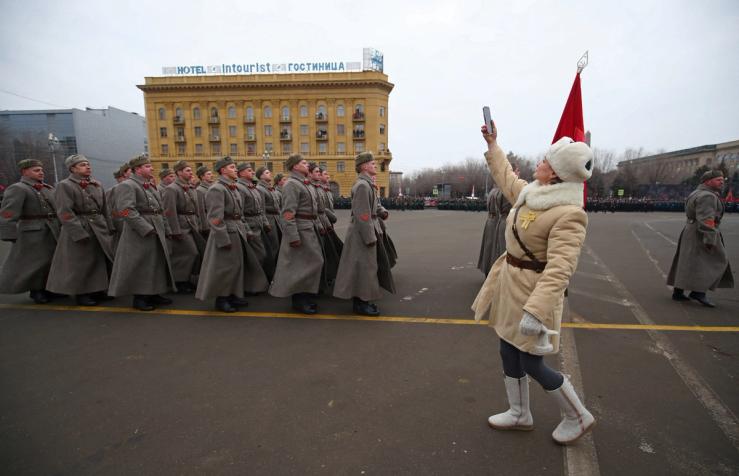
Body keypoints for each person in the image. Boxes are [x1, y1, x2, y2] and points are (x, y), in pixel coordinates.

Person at [472, 123, 596, 445]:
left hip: (533, 293)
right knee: (507, 348)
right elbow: (506, 179)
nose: (539, 162)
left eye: (545, 160)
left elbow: (560, 268)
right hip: (510, 284)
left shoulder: (569, 214)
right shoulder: (532, 194)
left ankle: (577, 414)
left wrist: (537, 312)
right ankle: (519, 413)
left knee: (531, 360)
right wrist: (493, 144)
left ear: (554, 174)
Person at [195, 157, 268, 312]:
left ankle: (233, 295)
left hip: (237, 230)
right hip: (226, 233)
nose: (235, 169)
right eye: (232, 167)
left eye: (235, 167)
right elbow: (215, 218)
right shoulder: (217, 189)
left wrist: (246, 230)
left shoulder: (231, 188)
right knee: (225, 267)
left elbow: (239, 214)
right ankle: (222, 299)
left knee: (236, 265)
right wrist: (223, 238)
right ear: (223, 170)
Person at [108, 154, 176, 311]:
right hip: (140, 232)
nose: (151, 168)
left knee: (156, 262)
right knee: (142, 264)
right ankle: (140, 297)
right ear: (137, 169)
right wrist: (144, 228)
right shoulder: (128, 185)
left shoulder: (149, 185)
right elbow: (124, 211)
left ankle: (153, 292)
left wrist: (166, 229)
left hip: (156, 227)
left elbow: (159, 211)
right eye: (147, 166)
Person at [46, 154, 115, 306]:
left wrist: (110, 226)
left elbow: (105, 209)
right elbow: (64, 212)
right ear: (72, 168)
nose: (88, 166)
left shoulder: (96, 184)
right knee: (81, 262)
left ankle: (98, 290)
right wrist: (78, 232)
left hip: (99, 225)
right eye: (82, 164)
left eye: (88, 164)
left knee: (99, 260)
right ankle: (82, 293)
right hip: (80, 225)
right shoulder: (65, 185)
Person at [334, 152, 396, 316]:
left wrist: (381, 212)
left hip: (366, 229)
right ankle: (361, 303)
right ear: (363, 166)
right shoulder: (362, 185)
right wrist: (370, 237)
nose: (375, 165)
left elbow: (371, 207)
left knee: (367, 267)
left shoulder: (367, 184)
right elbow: (362, 215)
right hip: (362, 233)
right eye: (372, 163)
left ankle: (363, 301)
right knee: (363, 267)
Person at [667, 170, 733, 307]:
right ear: (707, 181)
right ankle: (699, 292)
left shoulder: (696, 193)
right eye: (718, 179)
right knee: (715, 261)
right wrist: (710, 239)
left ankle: (678, 292)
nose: (722, 182)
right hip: (701, 232)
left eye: (722, 180)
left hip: (690, 231)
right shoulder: (707, 196)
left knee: (687, 262)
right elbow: (707, 220)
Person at [269, 154, 325, 314]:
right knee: (301, 265)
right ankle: (299, 300)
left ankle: (305, 296)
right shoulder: (292, 184)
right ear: (294, 166)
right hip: (299, 229)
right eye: (303, 162)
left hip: (308, 227)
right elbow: (287, 213)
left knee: (310, 263)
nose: (307, 164)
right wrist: (292, 236)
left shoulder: (303, 183)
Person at [0, 159, 60, 303]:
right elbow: (8, 213)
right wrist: (8, 233)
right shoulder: (18, 188)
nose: (41, 172)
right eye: (36, 170)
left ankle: (48, 288)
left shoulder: (46, 188)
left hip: (51, 228)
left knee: (51, 261)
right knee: (35, 263)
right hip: (31, 231)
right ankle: (37, 290)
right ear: (24, 172)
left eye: (41, 170)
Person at [162, 160, 205, 294]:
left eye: (191, 170)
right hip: (181, 225)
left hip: (192, 223)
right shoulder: (172, 189)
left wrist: (199, 224)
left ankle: (186, 280)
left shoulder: (191, 188)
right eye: (187, 170)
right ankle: (179, 281)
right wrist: (174, 230)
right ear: (179, 172)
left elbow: (197, 209)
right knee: (189, 253)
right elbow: (169, 211)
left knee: (196, 253)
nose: (191, 172)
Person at [236, 162, 271, 279]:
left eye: (252, 170)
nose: (252, 172)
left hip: (258, 224)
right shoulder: (240, 187)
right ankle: (251, 283)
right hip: (249, 225)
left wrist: (265, 223)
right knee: (257, 255)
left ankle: (255, 282)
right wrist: (247, 229)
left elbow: (261, 209)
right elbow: (239, 212)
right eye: (249, 170)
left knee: (261, 254)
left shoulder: (252, 187)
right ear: (240, 173)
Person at [309, 163, 341, 289]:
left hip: (325, 222)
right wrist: (328, 218)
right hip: (318, 223)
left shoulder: (321, 188)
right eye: (324, 174)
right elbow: (318, 209)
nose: (327, 176)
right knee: (321, 253)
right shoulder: (312, 187)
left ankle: (327, 276)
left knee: (329, 250)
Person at [478, 185, 513, 275]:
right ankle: (494, 273)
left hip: (490, 220)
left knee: (488, 248)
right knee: (497, 248)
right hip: (498, 220)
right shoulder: (504, 191)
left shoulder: (492, 191)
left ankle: (487, 270)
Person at [256, 166, 282, 278]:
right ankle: (269, 274)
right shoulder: (260, 189)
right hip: (269, 219)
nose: (270, 173)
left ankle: (275, 272)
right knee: (271, 248)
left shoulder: (269, 188)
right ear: (261, 176)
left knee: (277, 246)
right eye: (267, 172)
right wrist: (265, 223)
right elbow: (261, 208)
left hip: (276, 219)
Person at [106, 163, 132, 246]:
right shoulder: (112, 190)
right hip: (120, 223)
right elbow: (109, 209)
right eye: (119, 178)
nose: (120, 179)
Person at [195, 165, 214, 238]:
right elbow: (201, 210)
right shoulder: (200, 190)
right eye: (208, 174)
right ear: (202, 177)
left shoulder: (213, 187)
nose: (211, 175)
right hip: (209, 223)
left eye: (211, 173)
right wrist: (205, 226)